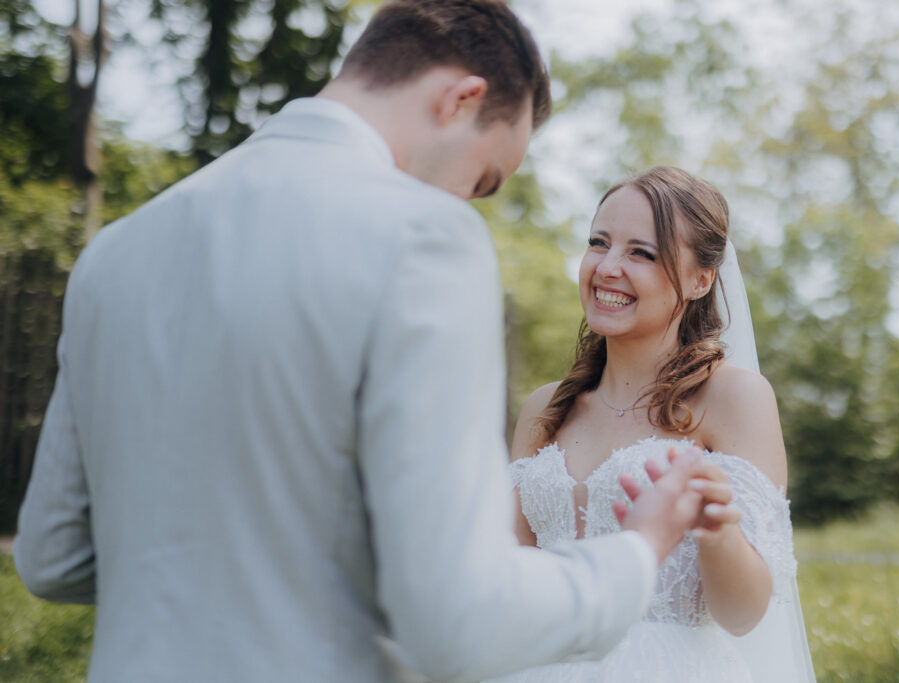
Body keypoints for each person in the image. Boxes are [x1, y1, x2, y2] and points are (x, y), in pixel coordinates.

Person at [14, 3, 711, 682]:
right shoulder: (422, 238)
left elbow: (52, 557)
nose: (465, 201)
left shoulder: (117, 251)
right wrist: (636, 551)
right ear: (461, 100)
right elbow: (456, 623)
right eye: (482, 179)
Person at [486, 166, 815, 682]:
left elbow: (745, 615)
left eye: (641, 253)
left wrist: (719, 532)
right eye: (598, 243)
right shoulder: (544, 408)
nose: (607, 267)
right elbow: (507, 583)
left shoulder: (733, 398)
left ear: (701, 280)